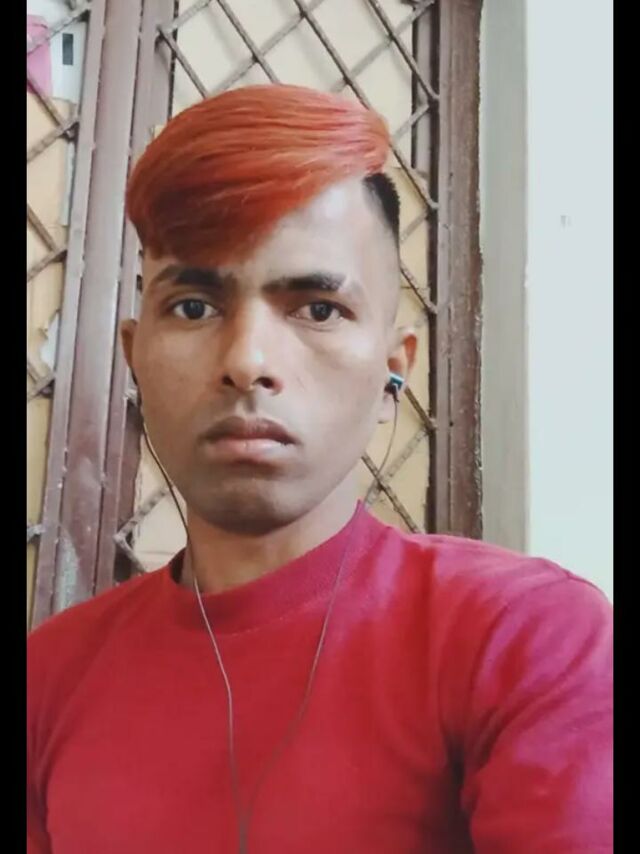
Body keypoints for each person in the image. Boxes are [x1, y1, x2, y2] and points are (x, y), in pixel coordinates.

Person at [27, 84, 612, 854]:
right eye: (194, 306)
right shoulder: (50, 676)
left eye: (317, 309)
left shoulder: (525, 640)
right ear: (135, 357)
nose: (247, 361)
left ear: (394, 373)